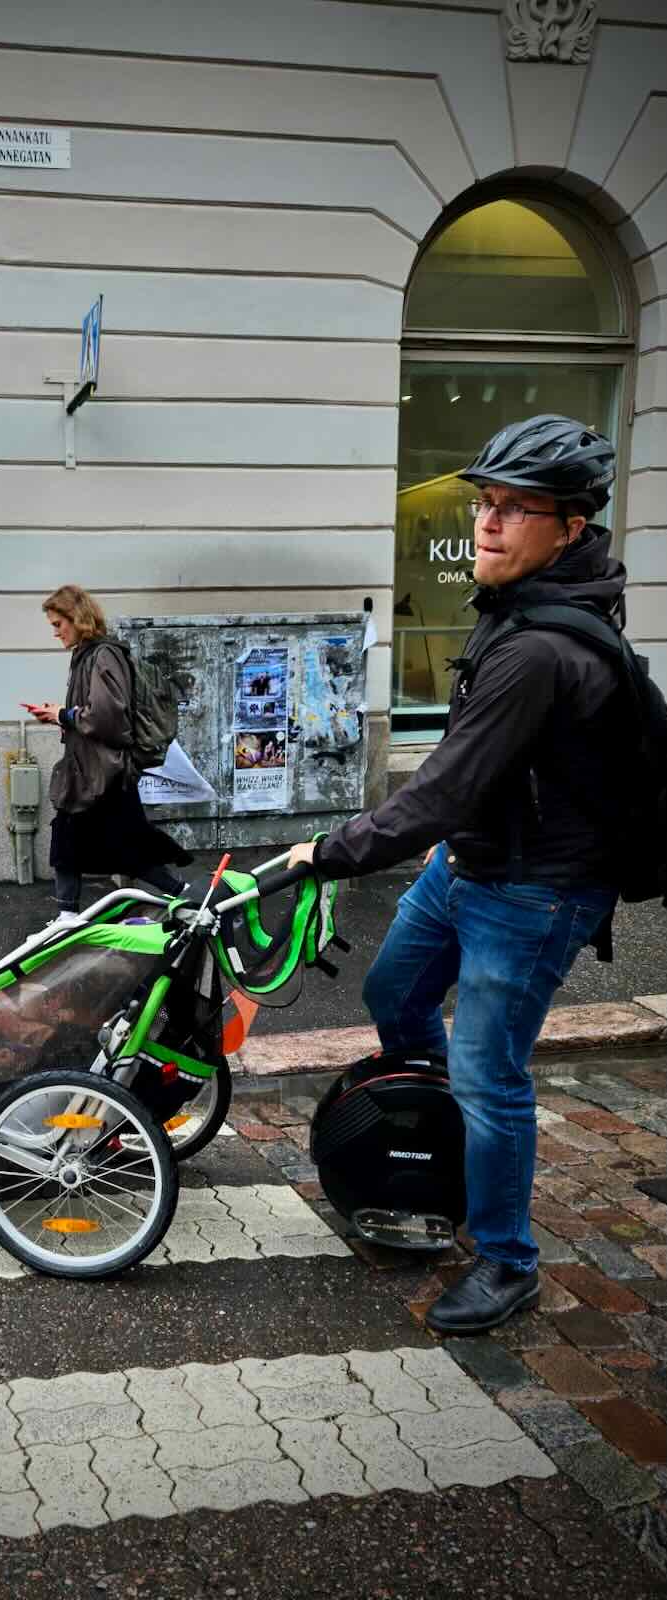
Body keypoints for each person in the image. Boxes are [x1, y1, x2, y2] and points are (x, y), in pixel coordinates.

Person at [289, 414, 625, 1334]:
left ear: (569, 527)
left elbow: (437, 789)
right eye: (484, 503)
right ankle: (441, 1134)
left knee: (490, 1072)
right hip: (467, 862)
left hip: (533, 894)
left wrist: (324, 853)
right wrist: (448, 833)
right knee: (394, 996)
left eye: (516, 510)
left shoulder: (540, 647)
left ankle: (508, 1261)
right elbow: (475, 771)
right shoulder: (517, 613)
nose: (487, 523)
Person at [23, 584, 192, 926]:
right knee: (78, 841)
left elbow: (108, 719)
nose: (56, 633)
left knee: (128, 849)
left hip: (105, 774)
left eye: (59, 624)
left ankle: (187, 897)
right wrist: (60, 715)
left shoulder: (103, 656)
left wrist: (63, 715)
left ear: (78, 618)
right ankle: (68, 912)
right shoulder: (88, 656)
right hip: (93, 772)